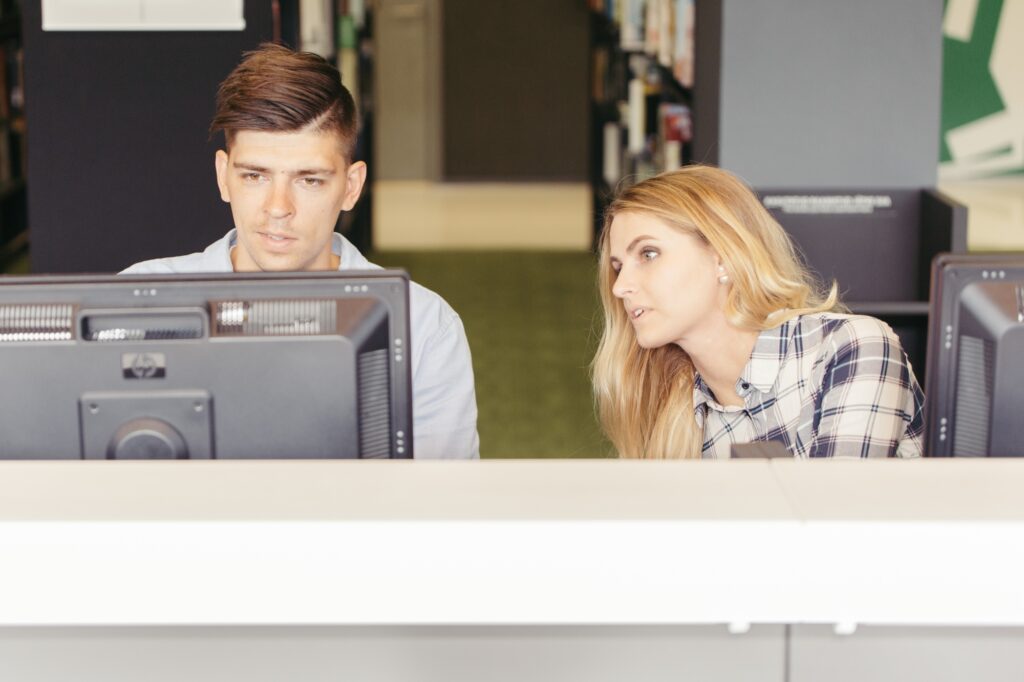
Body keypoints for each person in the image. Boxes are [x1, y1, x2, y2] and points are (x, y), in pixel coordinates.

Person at [122, 43, 479, 459]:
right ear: (224, 177)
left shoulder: (423, 327)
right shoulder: (139, 302)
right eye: (255, 176)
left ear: (351, 186)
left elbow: (444, 505)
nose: (278, 207)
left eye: (309, 180)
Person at [592, 165, 923, 459]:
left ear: (723, 256)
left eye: (648, 254)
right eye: (618, 267)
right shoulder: (676, 412)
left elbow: (834, 520)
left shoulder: (851, 348)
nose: (620, 287)